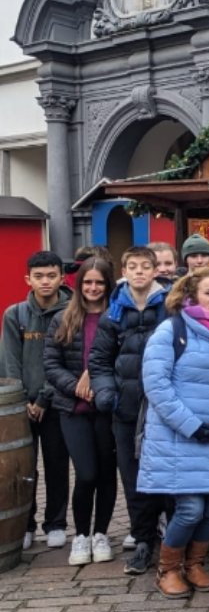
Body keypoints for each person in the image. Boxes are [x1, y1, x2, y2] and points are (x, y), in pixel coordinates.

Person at [138, 267, 209, 599]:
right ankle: (167, 568)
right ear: (191, 296)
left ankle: (194, 563)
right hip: (178, 436)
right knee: (190, 509)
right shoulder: (171, 330)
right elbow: (157, 385)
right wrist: (191, 425)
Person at [89, 246, 171, 575]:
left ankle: (172, 540)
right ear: (124, 270)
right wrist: (107, 393)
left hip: (162, 409)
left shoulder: (170, 306)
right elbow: (99, 360)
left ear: (155, 271)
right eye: (132, 266)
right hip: (125, 408)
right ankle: (142, 541)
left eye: (145, 266)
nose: (139, 272)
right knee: (133, 477)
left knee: (165, 476)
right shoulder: (113, 312)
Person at [44, 257, 118, 566]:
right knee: (86, 473)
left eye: (99, 282)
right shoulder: (62, 319)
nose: (93, 287)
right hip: (72, 408)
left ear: (107, 285)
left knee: (105, 474)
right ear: (78, 285)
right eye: (88, 282)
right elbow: (50, 363)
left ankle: (101, 533)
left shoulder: (117, 318)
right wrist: (76, 385)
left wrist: (100, 383)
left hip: (105, 408)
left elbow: (124, 361)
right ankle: (81, 535)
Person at [2, 250, 73, 550]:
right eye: (39, 276)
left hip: (56, 402)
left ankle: (55, 523)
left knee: (57, 463)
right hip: (22, 406)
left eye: (51, 275)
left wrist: (44, 397)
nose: (45, 282)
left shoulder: (71, 312)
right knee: (24, 467)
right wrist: (21, 399)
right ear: (28, 279)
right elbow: (10, 362)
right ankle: (26, 523)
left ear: (62, 277)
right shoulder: (14, 314)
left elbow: (66, 360)